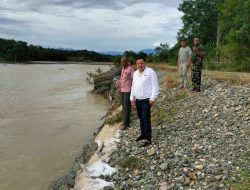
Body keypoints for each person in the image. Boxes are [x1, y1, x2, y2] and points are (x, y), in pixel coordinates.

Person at [130, 59, 159, 146]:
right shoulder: (135, 73)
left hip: (147, 99)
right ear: (136, 65)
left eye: (141, 63)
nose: (140, 65)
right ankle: (143, 134)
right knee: (141, 118)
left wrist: (153, 98)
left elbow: (155, 85)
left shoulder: (150, 71)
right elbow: (133, 86)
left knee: (146, 118)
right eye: (138, 63)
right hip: (138, 99)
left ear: (145, 63)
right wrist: (132, 98)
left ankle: (147, 138)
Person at [119, 57, 135, 130]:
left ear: (127, 62)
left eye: (123, 62)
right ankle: (125, 121)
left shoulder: (130, 68)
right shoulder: (123, 68)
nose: (122, 63)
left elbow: (134, 79)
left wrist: (133, 90)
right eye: (121, 62)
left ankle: (126, 123)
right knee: (124, 106)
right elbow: (122, 78)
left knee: (127, 107)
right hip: (122, 89)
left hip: (128, 90)